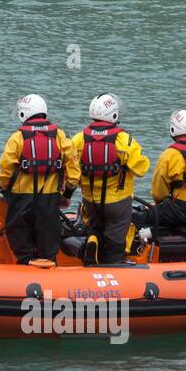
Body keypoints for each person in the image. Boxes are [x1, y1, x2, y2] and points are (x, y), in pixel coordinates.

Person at [0, 94, 79, 264]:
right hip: (48, 202)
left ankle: (26, 272)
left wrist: (7, 191)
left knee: (21, 245)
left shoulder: (17, 138)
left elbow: (5, 170)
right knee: (48, 248)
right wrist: (67, 196)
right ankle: (49, 280)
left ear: (23, 114)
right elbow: (74, 172)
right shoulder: (60, 136)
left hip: (21, 201)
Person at [68, 93, 150, 265]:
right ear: (113, 114)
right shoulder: (124, 140)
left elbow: (71, 170)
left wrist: (66, 195)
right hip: (117, 202)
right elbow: (142, 169)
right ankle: (112, 265)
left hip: (90, 201)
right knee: (115, 238)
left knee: (95, 226)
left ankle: (92, 240)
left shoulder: (78, 140)